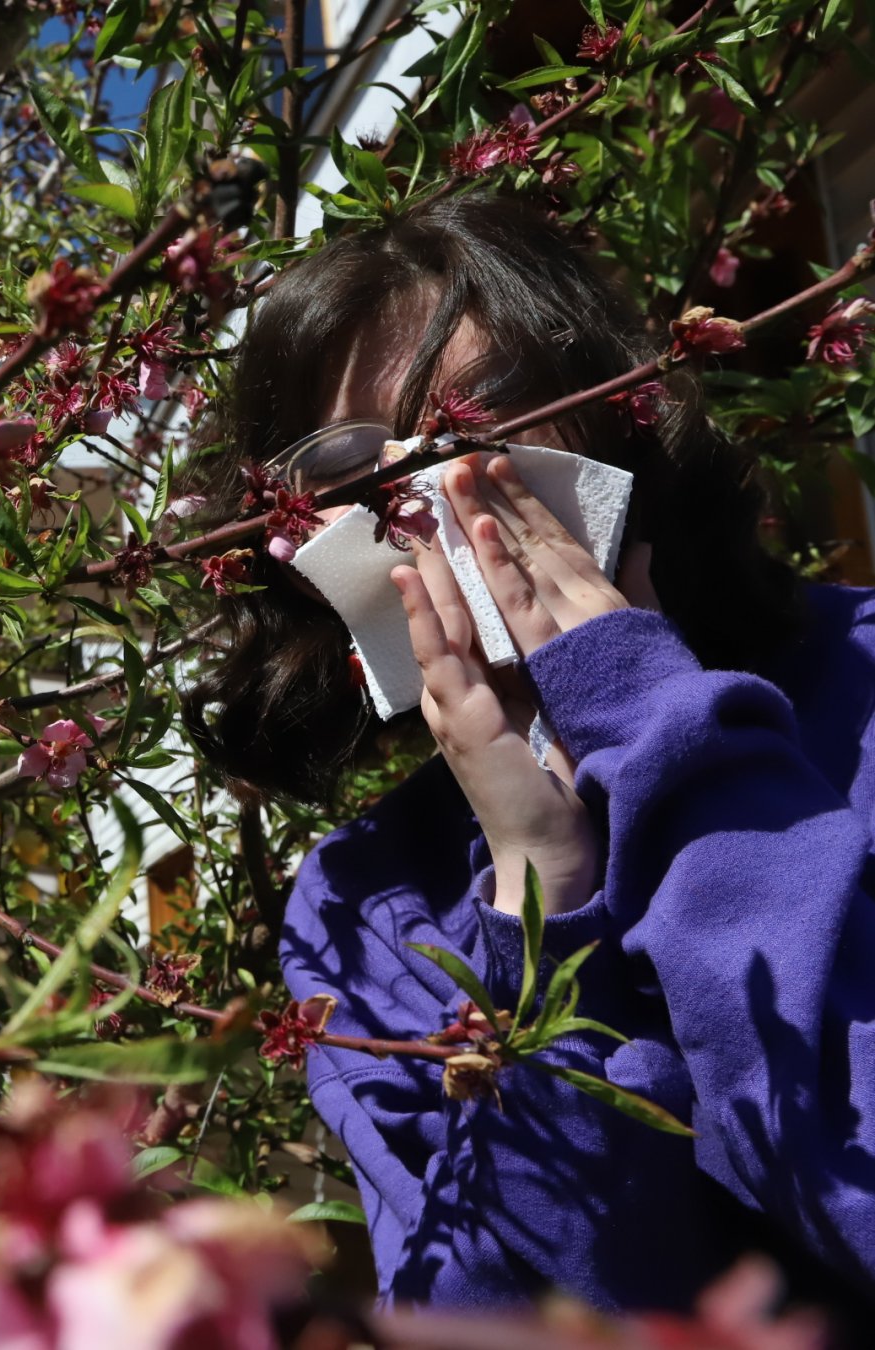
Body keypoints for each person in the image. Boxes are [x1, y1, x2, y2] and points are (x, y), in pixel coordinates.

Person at [179, 192, 875, 1317]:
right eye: (356, 471)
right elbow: (505, 1315)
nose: (433, 488)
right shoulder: (365, 910)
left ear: (618, 417)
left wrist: (654, 721)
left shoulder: (865, 681)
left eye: (478, 421)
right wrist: (539, 894)